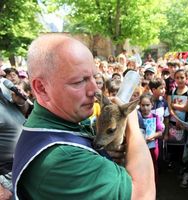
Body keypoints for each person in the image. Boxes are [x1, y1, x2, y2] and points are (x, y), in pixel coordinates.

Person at [12, 34, 155, 199]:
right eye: (79, 81)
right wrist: (132, 124)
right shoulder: (63, 159)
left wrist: (103, 155)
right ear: (42, 88)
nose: (94, 90)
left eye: (94, 77)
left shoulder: (64, 123)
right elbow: (144, 194)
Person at [0, 68, 31, 199]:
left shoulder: (4, 89)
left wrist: (21, 102)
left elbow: (21, 115)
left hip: (26, 168)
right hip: (8, 178)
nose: (2, 73)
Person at [138, 94, 164, 185]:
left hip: (152, 147)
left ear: (152, 105)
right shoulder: (137, 117)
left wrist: (152, 136)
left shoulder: (155, 117)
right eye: (143, 105)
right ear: (139, 105)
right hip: (139, 148)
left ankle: (153, 185)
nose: (145, 108)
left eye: (147, 105)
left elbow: (160, 132)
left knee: (153, 166)